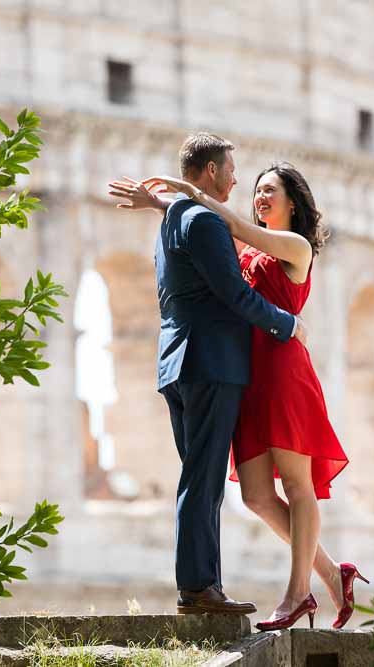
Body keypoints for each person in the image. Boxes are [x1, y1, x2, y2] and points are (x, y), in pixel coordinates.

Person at [109, 159, 368, 631]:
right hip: (248, 375)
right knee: (255, 496)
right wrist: (161, 204)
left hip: (284, 372)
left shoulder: (295, 245)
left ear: (294, 202)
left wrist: (187, 191)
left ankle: (298, 593)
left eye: (271, 191)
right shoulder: (246, 244)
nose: (260, 197)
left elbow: (225, 221)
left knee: (296, 486)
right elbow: (208, 232)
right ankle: (332, 572)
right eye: (257, 190)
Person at [132, 133, 309, 616]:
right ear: (210, 172)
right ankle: (199, 588)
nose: (236, 179)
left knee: (199, 476)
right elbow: (234, 293)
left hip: (177, 362)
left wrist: (162, 199)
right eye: (231, 170)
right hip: (211, 364)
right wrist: (287, 324)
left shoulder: (172, 219)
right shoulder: (206, 220)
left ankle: (202, 585)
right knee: (204, 478)